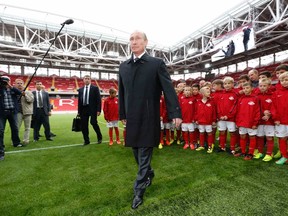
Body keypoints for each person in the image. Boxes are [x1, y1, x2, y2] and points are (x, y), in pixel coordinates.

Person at [118, 30, 182, 209]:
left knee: (144, 154)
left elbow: (168, 89)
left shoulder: (156, 64)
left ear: (146, 42)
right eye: (131, 39)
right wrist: (122, 113)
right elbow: (122, 93)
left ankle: (138, 190)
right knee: (136, 153)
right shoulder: (123, 66)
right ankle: (149, 173)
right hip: (132, 117)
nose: (134, 41)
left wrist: (175, 112)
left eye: (138, 38)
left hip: (149, 117)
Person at [0, 76, 24, 161]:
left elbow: (20, 93)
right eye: (4, 81)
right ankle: (1, 150)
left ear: (10, 81)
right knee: (1, 130)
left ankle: (16, 143)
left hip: (13, 112)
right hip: (2, 113)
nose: (5, 83)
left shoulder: (13, 89)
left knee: (15, 128)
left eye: (7, 81)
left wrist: (10, 86)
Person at [234, 82, 260, 160]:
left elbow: (257, 112)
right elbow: (238, 111)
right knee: (242, 136)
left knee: (252, 137)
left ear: (252, 88)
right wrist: (237, 122)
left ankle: (250, 153)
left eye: (247, 88)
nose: (245, 90)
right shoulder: (241, 99)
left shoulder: (255, 98)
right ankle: (243, 151)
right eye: (244, 88)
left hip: (251, 123)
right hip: (242, 122)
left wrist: (255, 123)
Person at [78, 75, 102, 145]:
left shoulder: (95, 88)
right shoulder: (81, 90)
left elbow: (98, 100)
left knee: (93, 123)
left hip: (92, 109)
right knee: (84, 126)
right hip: (83, 109)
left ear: (90, 80)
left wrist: (98, 110)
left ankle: (99, 137)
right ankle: (86, 141)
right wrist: (79, 112)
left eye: (88, 79)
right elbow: (79, 101)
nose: (87, 80)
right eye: (85, 79)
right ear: (83, 80)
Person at [216, 77, 238, 154]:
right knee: (222, 132)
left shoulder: (235, 94)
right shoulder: (221, 94)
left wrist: (228, 116)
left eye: (229, 83)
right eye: (225, 84)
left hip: (231, 118)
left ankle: (232, 149)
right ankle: (222, 147)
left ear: (232, 84)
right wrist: (220, 115)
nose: (227, 85)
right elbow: (218, 106)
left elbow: (235, 106)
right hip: (221, 118)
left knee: (232, 133)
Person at [255, 78, 275, 161]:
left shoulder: (273, 95)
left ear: (269, 86)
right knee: (260, 136)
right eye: (260, 86)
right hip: (259, 120)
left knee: (269, 137)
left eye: (264, 86)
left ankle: (269, 153)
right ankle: (260, 152)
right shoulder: (256, 95)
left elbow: (275, 107)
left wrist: (269, 114)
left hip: (269, 121)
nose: (262, 87)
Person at [271, 72, 288, 164]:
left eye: (286, 80)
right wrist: (275, 118)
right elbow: (273, 107)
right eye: (282, 80)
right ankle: (284, 156)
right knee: (282, 139)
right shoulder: (276, 93)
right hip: (280, 121)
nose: (284, 82)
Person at [195, 86, 217, 153]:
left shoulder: (211, 102)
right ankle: (201, 145)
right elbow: (196, 111)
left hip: (208, 121)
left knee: (209, 133)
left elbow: (214, 112)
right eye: (207, 92)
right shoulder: (198, 102)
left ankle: (210, 145)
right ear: (203, 93)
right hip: (200, 121)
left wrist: (213, 120)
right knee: (201, 133)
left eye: (209, 92)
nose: (209, 93)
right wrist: (196, 119)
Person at [14, 79, 34, 145]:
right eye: (18, 83)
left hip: (27, 112)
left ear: (23, 84)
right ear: (15, 84)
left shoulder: (28, 92)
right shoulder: (13, 92)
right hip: (18, 112)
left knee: (27, 128)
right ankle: (15, 141)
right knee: (16, 128)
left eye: (21, 83)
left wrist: (25, 95)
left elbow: (31, 100)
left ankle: (26, 140)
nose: (19, 84)